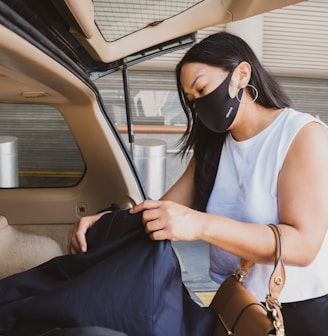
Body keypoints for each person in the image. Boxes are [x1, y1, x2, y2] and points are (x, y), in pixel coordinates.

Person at [69, 32, 328, 335]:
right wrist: (104, 222)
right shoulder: (214, 148)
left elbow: (302, 245)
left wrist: (200, 225)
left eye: (202, 88)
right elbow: (164, 211)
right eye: (191, 99)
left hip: (299, 311)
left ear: (241, 75)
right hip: (237, 304)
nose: (199, 104)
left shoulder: (300, 135)